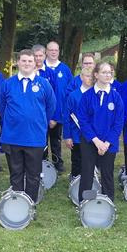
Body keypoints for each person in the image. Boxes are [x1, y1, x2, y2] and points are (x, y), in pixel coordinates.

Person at [0, 49, 56, 203]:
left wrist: (38, 122)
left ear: (35, 63)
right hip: (13, 137)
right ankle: (18, 205)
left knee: (33, 175)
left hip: (35, 138)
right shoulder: (7, 84)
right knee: (16, 174)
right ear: (17, 62)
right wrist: (14, 120)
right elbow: (2, 107)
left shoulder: (44, 84)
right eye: (23, 60)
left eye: (30, 61)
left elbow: (51, 107)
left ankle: (30, 205)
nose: (26, 63)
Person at [76, 61, 125, 202]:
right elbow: (83, 121)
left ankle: (107, 203)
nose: (108, 75)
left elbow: (118, 123)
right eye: (104, 72)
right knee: (87, 173)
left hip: (109, 143)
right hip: (90, 141)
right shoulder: (87, 96)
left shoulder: (116, 97)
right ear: (96, 75)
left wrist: (107, 143)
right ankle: (85, 203)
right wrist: (96, 141)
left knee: (107, 173)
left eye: (110, 72)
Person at [44, 41, 72, 172]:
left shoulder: (65, 69)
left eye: (56, 50)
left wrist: (57, 116)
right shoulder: (40, 68)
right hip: (42, 114)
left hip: (59, 113)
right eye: (51, 50)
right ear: (46, 51)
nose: (53, 52)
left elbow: (69, 92)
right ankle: (43, 164)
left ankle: (57, 164)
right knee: (42, 141)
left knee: (56, 141)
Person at [63, 68, 94, 178]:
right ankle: (75, 180)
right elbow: (66, 116)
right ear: (81, 77)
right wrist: (67, 136)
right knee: (77, 160)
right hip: (77, 135)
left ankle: (91, 180)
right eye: (87, 76)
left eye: (92, 76)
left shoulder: (97, 94)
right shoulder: (73, 96)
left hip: (93, 135)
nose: (90, 79)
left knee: (91, 160)